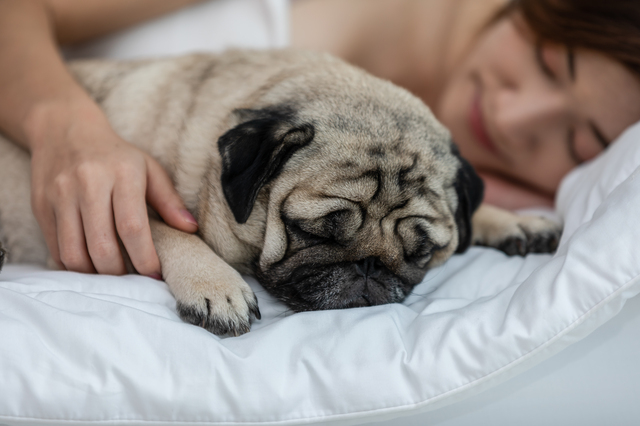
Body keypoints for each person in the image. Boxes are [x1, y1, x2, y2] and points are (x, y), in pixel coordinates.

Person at [0, 0, 639, 277]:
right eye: (551, 62)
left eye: (579, 143)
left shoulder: (484, 190)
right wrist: (67, 126)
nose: (513, 116)